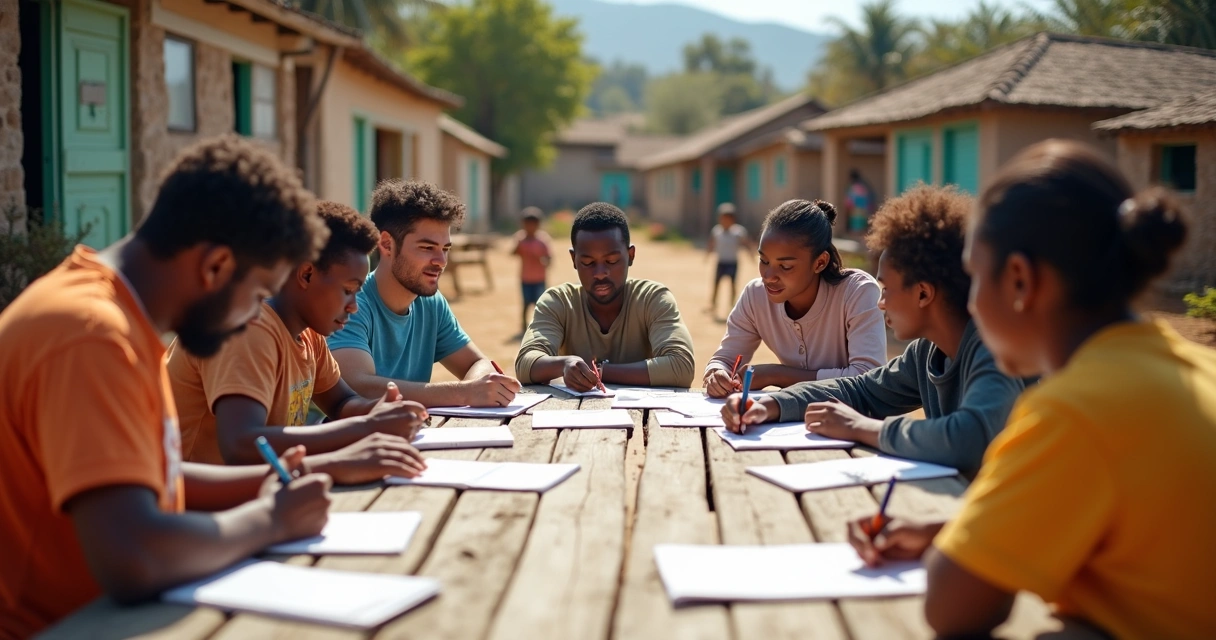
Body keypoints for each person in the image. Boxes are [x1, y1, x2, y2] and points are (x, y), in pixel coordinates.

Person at [847, 140, 1216, 638]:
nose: (970, 302)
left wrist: (962, 544)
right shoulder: (1194, 366)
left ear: (1019, 280)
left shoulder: (1070, 411)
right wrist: (952, 533)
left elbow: (951, 608)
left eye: (975, 277)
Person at [0, 136, 335, 636]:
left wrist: (269, 483)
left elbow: (151, 476)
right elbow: (133, 553)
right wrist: (271, 520)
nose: (253, 319)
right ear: (216, 266)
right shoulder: (90, 335)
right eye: (258, 296)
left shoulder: (122, 318)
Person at [722, 185, 1027, 474]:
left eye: (886, 289)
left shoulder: (995, 352)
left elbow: (968, 439)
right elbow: (860, 390)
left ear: (922, 293)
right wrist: (771, 404)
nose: (880, 303)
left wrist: (862, 427)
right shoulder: (925, 355)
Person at [168, 201, 429, 480]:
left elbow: (341, 403)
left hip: (259, 489)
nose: (354, 306)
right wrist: (365, 428)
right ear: (306, 274)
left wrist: (380, 411)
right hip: (194, 497)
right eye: (348, 290)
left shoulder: (308, 332)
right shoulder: (246, 328)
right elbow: (240, 444)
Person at [329, 180, 521, 408]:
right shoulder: (352, 304)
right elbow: (358, 386)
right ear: (387, 244)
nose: (441, 261)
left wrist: (478, 387)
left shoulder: (431, 303)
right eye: (427, 248)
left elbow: (477, 364)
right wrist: (464, 393)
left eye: (445, 249)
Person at [703, 199, 886, 398]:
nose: (768, 276)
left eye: (785, 266)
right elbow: (725, 360)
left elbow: (868, 380)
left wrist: (777, 375)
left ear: (820, 262)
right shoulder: (756, 296)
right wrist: (717, 374)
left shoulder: (857, 292)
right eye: (764, 261)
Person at [515, 202, 695, 390]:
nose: (600, 273)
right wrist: (564, 364)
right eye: (588, 262)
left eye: (612, 261)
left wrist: (600, 372)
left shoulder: (652, 299)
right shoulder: (559, 302)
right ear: (574, 260)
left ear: (631, 255)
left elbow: (681, 367)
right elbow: (525, 364)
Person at [513, 207, 553, 335]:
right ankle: (524, 326)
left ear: (538, 225)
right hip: (525, 278)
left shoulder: (542, 240)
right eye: (527, 225)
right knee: (525, 303)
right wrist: (519, 247)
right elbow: (513, 253)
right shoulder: (520, 239)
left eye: (532, 225)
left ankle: (540, 326)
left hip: (539, 279)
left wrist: (541, 260)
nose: (529, 228)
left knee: (539, 304)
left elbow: (549, 258)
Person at [705, 203, 750, 316]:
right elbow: (711, 244)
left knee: (733, 285)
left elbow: (746, 243)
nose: (725, 221)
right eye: (723, 218)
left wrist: (751, 255)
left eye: (728, 219)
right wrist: (707, 255)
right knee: (716, 284)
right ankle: (713, 304)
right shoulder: (717, 231)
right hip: (721, 262)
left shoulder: (738, 232)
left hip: (732, 262)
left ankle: (733, 305)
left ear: (733, 219)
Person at [844, 170, 874, 236]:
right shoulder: (865, 186)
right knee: (863, 231)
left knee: (855, 231)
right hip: (864, 212)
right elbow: (869, 200)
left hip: (855, 213)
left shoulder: (853, 188)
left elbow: (849, 202)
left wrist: (847, 212)